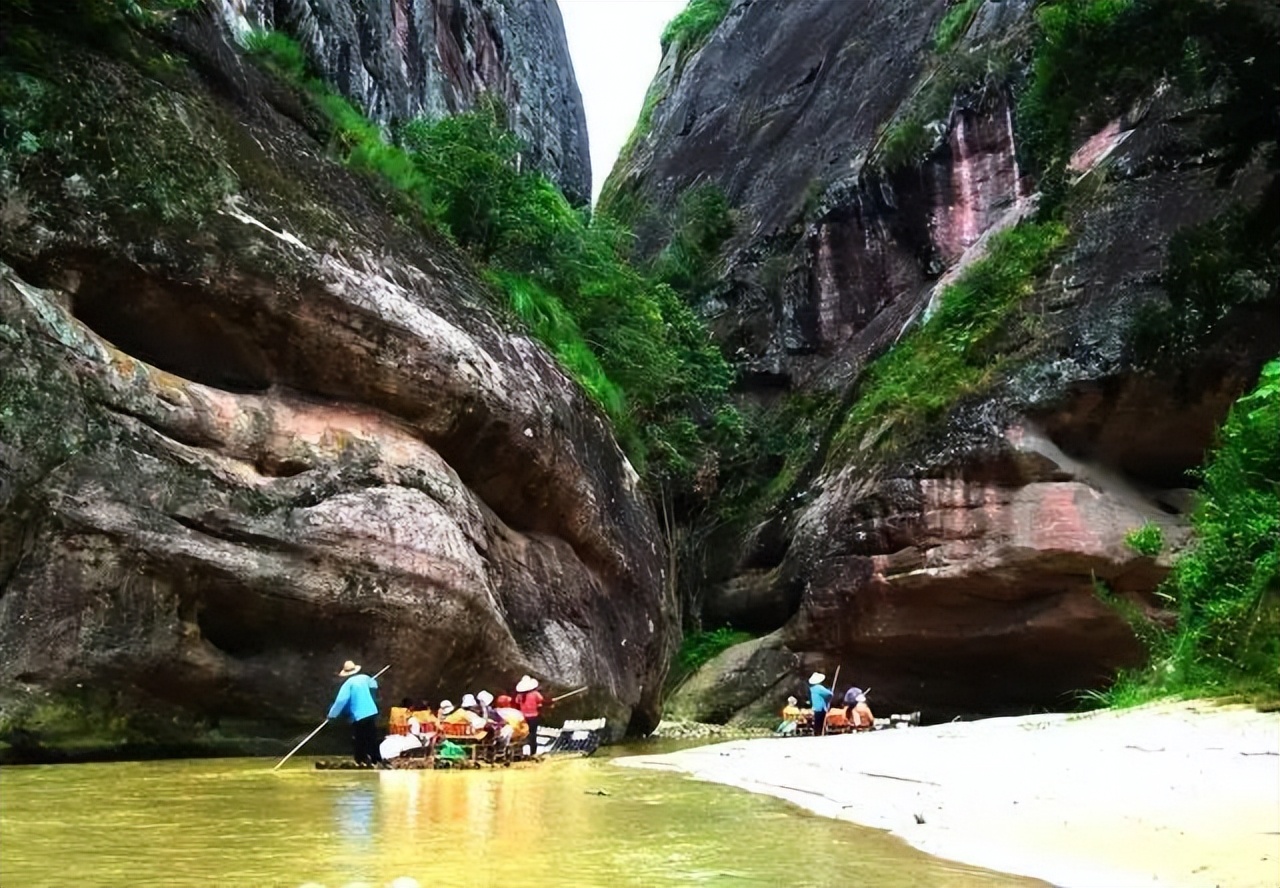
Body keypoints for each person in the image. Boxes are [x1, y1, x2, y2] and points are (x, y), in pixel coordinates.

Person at [328, 660, 383, 766]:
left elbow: (340, 701)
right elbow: (374, 685)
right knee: (371, 736)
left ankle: (361, 760)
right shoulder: (365, 678)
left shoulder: (348, 684)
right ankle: (376, 758)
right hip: (371, 711)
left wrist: (332, 715)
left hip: (359, 715)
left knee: (359, 737)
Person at [514, 675, 546, 756]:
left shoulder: (520, 696)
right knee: (533, 734)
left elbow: (517, 703)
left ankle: (521, 751)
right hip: (533, 717)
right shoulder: (535, 694)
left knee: (523, 735)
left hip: (523, 717)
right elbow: (542, 701)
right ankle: (533, 752)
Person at [808, 671, 833, 736]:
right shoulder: (819, 687)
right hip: (821, 707)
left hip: (815, 707)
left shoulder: (812, 689)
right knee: (821, 720)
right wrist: (831, 692)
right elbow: (829, 694)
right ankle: (821, 732)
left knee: (817, 721)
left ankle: (817, 732)